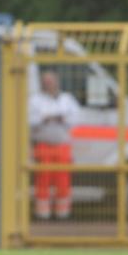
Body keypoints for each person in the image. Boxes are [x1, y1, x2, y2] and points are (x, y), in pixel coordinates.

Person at [29, 70, 80, 219]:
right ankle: (42, 213)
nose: (48, 84)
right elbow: (31, 120)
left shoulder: (67, 99)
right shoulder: (35, 100)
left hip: (62, 144)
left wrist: (61, 118)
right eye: (45, 82)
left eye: (50, 81)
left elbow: (75, 117)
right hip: (43, 144)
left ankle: (62, 213)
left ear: (57, 81)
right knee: (43, 177)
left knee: (63, 177)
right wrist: (44, 119)